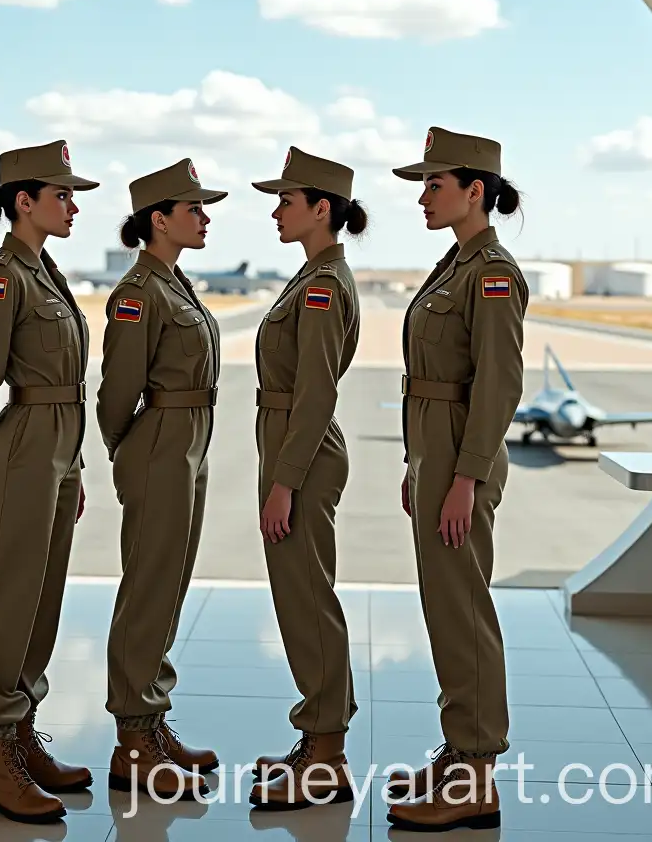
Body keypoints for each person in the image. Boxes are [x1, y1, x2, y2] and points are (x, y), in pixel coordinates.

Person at [384, 126, 528, 833]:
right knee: (446, 607)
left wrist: (465, 479)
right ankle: (461, 750)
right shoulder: (456, 265)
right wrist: (418, 465)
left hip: (460, 458)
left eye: (434, 185)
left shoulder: (492, 273)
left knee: (463, 610)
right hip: (436, 455)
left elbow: (498, 386)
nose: (422, 197)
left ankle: (476, 775)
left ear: (476, 191)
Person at [0, 140, 99, 825]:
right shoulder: (1, 278)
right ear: (24, 201)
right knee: (8, 600)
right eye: (62, 195)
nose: (73, 207)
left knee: (42, 600)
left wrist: (72, 463)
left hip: (58, 450)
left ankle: (20, 736)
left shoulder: (46, 272)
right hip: (24, 448)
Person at [96, 158, 227, 800]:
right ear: (159, 219)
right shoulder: (138, 293)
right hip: (159, 445)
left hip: (188, 444)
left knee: (169, 585)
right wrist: (129, 449)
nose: (204, 219)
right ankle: (133, 741)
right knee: (148, 587)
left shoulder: (174, 284)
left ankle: (150, 720)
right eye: (194, 209)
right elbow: (117, 390)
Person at [246, 146, 367, 812]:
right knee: (301, 597)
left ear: (322, 209)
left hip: (302, 451)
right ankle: (318, 738)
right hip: (293, 444)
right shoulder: (312, 275)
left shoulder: (323, 286)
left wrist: (284, 482)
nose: (276, 212)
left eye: (286, 201)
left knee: (307, 599)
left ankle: (327, 756)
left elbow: (316, 393)